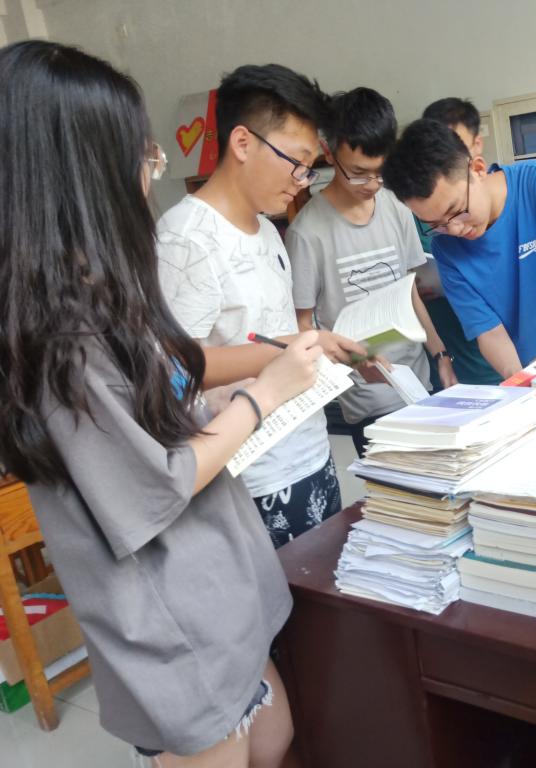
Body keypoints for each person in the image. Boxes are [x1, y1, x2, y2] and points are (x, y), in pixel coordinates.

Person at [0, 40, 308, 765]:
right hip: (173, 621)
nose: (149, 177)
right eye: (142, 157)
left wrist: (224, 398)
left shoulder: (104, 294)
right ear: (82, 176)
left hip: (217, 583)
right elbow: (155, 484)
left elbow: (167, 390)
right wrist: (263, 397)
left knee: (277, 737)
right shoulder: (60, 339)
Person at [157, 64, 364, 547]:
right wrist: (288, 350)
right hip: (248, 477)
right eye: (297, 161)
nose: (302, 180)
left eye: (310, 166)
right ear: (243, 143)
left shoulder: (269, 230)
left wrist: (318, 345)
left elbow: (267, 332)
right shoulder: (184, 239)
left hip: (308, 453)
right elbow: (174, 368)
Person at [382, 119, 536, 379]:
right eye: (435, 224)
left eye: (457, 211)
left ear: (477, 169)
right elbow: (489, 331)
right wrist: (522, 380)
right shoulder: (447, 250)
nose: (454, 229)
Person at [286, 87, 454, 456]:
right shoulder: (307, 232)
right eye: (359, 174)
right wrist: (352, 364)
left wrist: (440, 355)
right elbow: (302, 326)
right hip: (367, 399)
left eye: (380, 173)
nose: (373, 185)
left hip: (418, 385)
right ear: (329, 151)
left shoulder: (395, 206)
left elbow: (409, 291)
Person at [415, 97, 502, 385]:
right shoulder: (427, 214)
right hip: (455, 345)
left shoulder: (513, 195)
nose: (453, 228)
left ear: (477, 148)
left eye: (455, 146)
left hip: (504, 348)